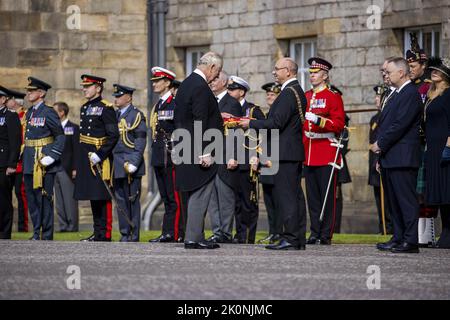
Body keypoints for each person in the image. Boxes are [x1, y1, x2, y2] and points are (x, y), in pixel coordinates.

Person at [240, 57, 308, 250]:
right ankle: (296, 238)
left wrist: (250, 123)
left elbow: (275, 123)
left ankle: (292, 238)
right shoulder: (294, 91)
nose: (274, 72)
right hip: (289, 152)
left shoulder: (288, 93)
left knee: (286, 197)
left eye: (277, 69)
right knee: (292, 197)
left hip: (285, 153)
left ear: (288, 71)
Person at [372, 57, 422, 253]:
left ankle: (410, 241)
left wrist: (380, 144)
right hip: (390, 156)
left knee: (405, 201)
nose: (386, 75)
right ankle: (398, 237)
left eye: (389, 72)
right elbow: (385, 124)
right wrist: (381, 156)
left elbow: (400, 124)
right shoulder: (394, 94)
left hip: (403, 156)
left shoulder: (410, 93)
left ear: (401, 73)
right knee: (394, 201)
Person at [174, 52, 223, 249]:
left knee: (194, 192)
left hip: (185, 145)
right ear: (211, 67)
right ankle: (194, 237)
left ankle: (194, 234)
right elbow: (199, 119)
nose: (216, 77)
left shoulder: (186, 83)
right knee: (200, 193)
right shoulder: (201, 87)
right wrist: (204, 151)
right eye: (217, 72)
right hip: (198, 148)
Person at [303, 58, 345, 245]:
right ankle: (314, 232)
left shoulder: (333, 96)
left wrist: (319, 120)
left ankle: (326, 234)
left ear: (325, 75)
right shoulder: (305, 96)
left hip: (325, 150)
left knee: (327, 197)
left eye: (315, 73)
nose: (312, 76)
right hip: (308, 151)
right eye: (310, 73)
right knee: (312, 198)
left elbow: (338, 124)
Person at [74, 75, 119, 242]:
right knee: (93, 196)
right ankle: (97, 232)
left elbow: (113, 136)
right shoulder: (85, 107)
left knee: (103, 195)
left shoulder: (106, 108)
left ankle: (105, 233)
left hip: (101, 157)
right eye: (84, 86)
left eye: (88, 86)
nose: (84, 89)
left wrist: (100, 155)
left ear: (98, 88)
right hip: (87, 157)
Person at [23, 77, 65, 241]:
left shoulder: (48, 112)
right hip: (29, 159)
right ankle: (36, 232)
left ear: (40, 93)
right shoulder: (29, 112)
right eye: (28, 91)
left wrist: (52, 156)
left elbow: (60, 136)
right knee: (32, 199)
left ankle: (46, 234)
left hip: (43, 161)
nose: (28, 93)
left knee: (45, 198)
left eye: (31, 91)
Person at [406, 34, 436, 247]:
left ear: (423, 64)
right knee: (415, 191)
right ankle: (417, 233)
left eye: (414, 65)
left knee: (425, 191)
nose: (411, 69)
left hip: (426, 141)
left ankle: (428, 233)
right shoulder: (412, 86)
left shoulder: (428, 87)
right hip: (413, 142)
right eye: (409, 65)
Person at [227, 75, 265, 244]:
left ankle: (248, 236)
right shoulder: (229, 110)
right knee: (235, 201)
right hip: (232, 162)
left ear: (241, 92)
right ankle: (239, 234)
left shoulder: (253, 110)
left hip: (248, 161)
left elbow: (264, 135)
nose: (229, 92)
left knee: (248, 201)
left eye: (232, 89)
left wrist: (257, 156)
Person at [206, 71, 241, 244]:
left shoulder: (232, 103)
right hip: (211, 156)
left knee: (225, 197)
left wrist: (234, 156)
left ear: (225, 82)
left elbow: (235, 132)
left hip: (225, 156)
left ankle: (226, 232)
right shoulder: (209, 102)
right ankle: (217, 230)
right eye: (211, 79)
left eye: (215, 79)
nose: (212, 82)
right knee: (212, 198)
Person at [148, 67, 181, 243]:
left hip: (170, 154)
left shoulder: (174, 104)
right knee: (165, 196)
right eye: (154, 81)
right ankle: (166, 232)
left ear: (167, 83)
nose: (154, 84)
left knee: (172, 197)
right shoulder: (159, 105)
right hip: (160, 154)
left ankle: (174, 233)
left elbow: (179, 129)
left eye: (158, 81)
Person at [112, 84, 147, 242]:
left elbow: (140, 141)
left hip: (130, 163)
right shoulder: (114, 115)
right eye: (116, 96)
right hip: (117, 163)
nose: (116, 99)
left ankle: (134, 234)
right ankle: (124, 233)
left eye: (119, 96)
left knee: (132, 199)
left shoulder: (136, 115)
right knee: (120, 200)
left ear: (129, 97)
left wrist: (134, 162)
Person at [424, 57, 450, 249]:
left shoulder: (448, 94)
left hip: (445, 146)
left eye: (438, 70)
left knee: (448, 190)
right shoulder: (431, 94)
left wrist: (448, 147)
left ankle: (449, 233)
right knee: (440, 192)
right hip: (432, 148)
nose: (434, 72)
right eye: (432, 70)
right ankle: (445, 232)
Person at [258, 82, 283, 244]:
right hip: (265, 162)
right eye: (268, 94)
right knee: (268, 200)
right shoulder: (268, 115)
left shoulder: (279, 116)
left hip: (276, 162)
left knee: (278, 199)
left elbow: (280, 141)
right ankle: (272, 232)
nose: (269, 97)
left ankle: (279, 232)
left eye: (272, 94)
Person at [53, 102, 80, 232]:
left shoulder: (73, 128)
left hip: (67, 168)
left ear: (62, 112)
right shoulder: (53, 128)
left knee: (70, 200)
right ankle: (63, 225)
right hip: (54, 167)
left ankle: (72, 226)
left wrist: (75, 168)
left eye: (55, 111)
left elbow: (77, 150)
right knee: (59, 201)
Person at [369, 86, 392, 234]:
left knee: (388, 198)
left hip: (383, 158)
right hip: (373, 162)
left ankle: (390, 228)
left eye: (380, 97)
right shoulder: (374, 118)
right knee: (378, 198)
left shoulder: (386, 116)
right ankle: (382, 227)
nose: (377, 99)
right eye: (376, 97)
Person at [5, 88, 29, 233]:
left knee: (21, 196)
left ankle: (23, 226)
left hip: (20, 161)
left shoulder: (25, 116)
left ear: (15, 102)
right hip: (9, 160)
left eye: (9, 100)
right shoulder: (7, 116)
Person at [0, 86, 22, 239]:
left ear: (2, 99)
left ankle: (4, 232)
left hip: (4, 164)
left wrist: (12, 164)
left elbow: (15, 142)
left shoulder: (10, 116)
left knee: (4, 199)